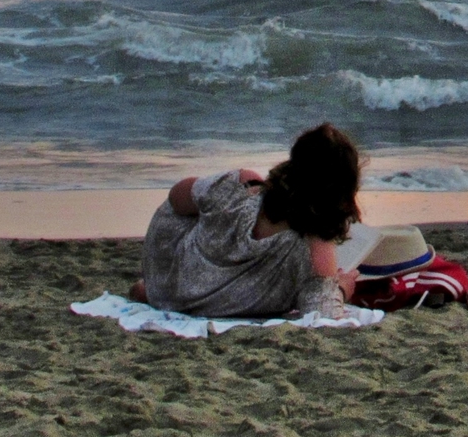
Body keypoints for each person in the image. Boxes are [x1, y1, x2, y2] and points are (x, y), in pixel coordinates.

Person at [130, 123, 362, 319]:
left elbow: (177, 198)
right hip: (210, 302)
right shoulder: (316, 247)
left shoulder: (239, 186)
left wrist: (220, 222)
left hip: (168, 268)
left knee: (207, 207)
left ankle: (155, 291)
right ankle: (158, 293)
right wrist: (342, 287)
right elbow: (322, 317)